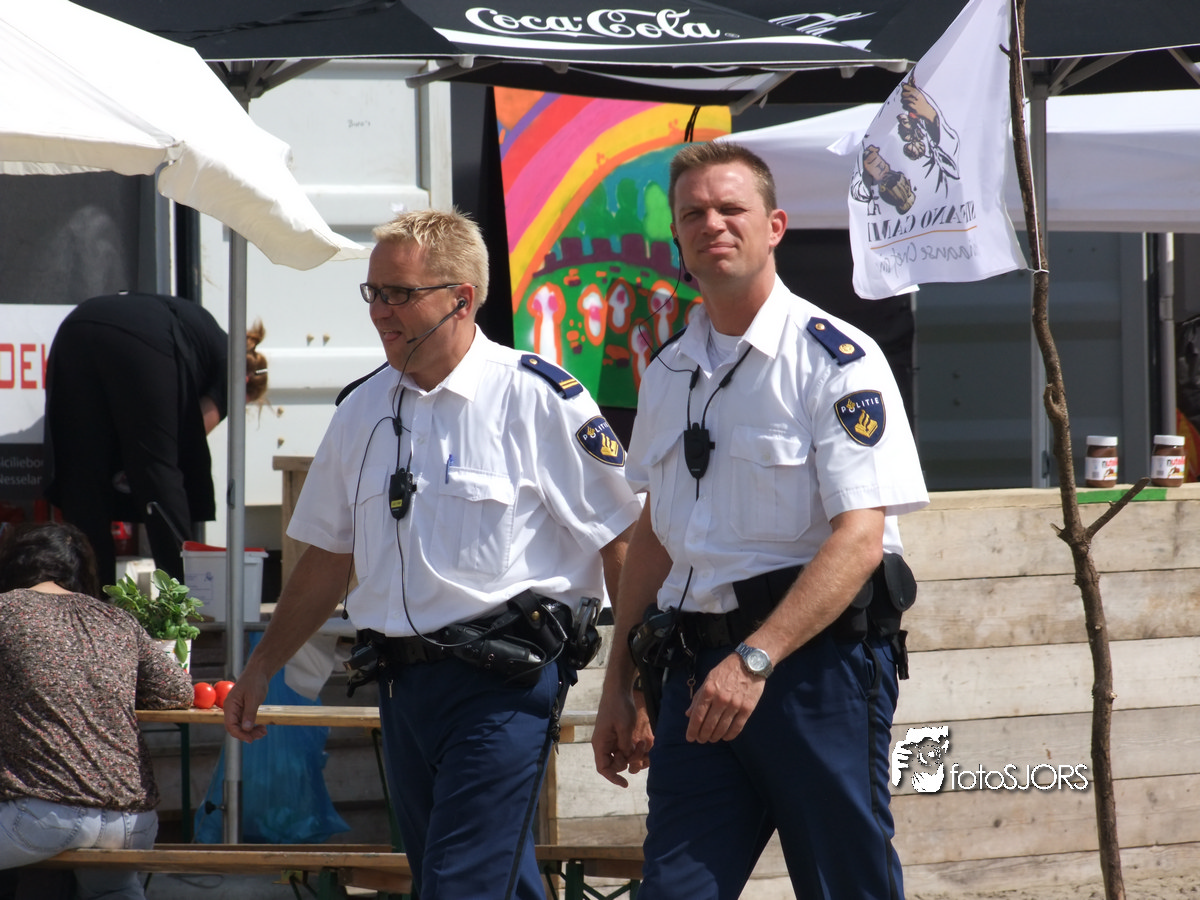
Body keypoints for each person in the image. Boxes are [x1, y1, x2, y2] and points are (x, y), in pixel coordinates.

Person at [224, 208, 639, 900]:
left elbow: (623, 540)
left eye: (399, 293)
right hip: (401, 689)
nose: (379, 312)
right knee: (483, 880)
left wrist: (630, 681)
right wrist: (262, 665)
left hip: (503, 686)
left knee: (458, 884)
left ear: (461, 299)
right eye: (373, 292)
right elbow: (326, 557)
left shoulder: (538, 397)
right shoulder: (360, 410)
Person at [591, 141, 929, 900]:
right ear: (677, 239)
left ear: (774, 226)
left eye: (730, 208)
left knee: (846, 887)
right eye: (692, 214)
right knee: (673, 891)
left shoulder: (837, 361)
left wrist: (754, 660)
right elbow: (656, 537)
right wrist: (621, 684)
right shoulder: (668, 371)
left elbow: (860, 539)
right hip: (693, 675)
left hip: (812, 674)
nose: (712, 224)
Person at [0, 522, 194, 898]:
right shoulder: (116, 619)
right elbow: (177, 691)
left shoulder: (5, 611)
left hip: (43, 817)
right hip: (132, 823)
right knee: (114, 890)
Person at [43, 292, 268, 585]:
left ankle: (91, 597)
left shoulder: (210, 339)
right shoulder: (234, 371)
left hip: (75, 327)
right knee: (158, 472)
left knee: (83, 477)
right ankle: (181, 596)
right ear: (247, 384)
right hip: (142, 337)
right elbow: (189, 435)